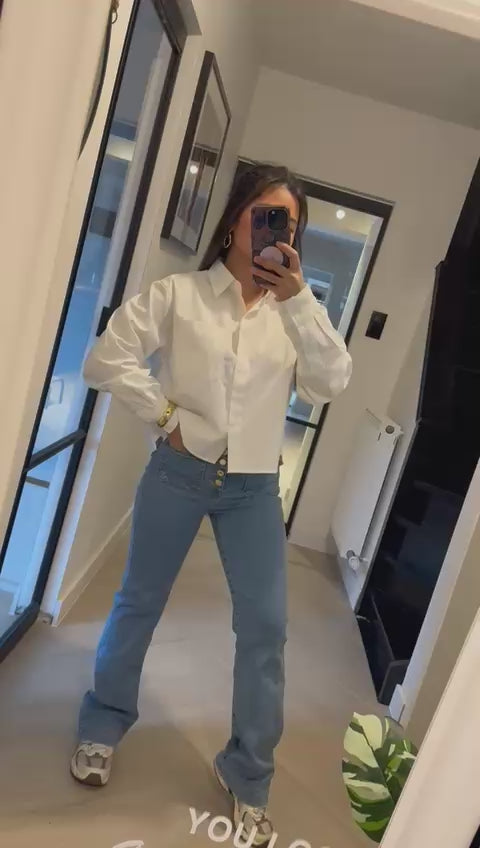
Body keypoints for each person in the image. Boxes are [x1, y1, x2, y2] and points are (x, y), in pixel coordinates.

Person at [70, 163, 352, 845]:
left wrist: (299, 300)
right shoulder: (181, 295)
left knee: (266, 628)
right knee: (138, 602)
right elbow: (105, 358)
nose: (275, 232)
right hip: (178, 472)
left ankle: (247, 773)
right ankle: (103, 723)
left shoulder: (295, 314)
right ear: (234, 220)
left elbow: (330, 383)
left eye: (289, 225)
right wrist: (164, 413)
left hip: (253, 489)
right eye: (264, 215)